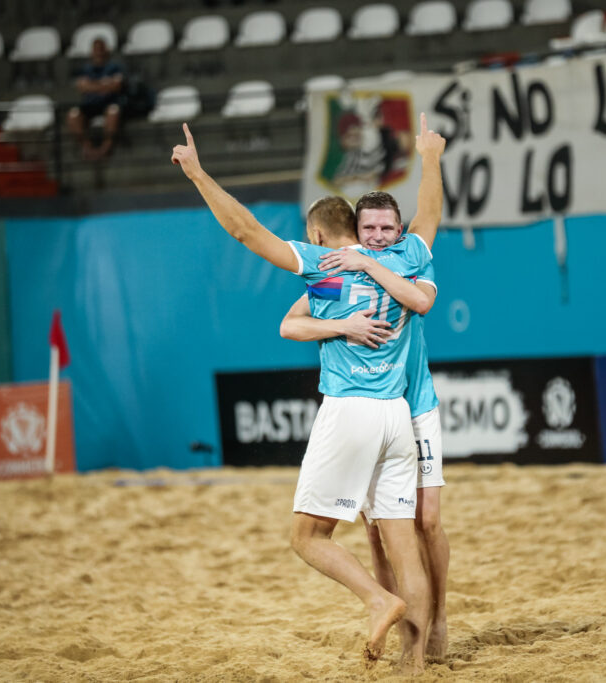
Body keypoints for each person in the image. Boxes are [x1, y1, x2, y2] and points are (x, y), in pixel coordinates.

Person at [170, 122, 437, 671]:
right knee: (403, 543)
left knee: (307, 537)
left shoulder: (322, 265)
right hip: (398, 414)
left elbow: (245, 231)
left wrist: (198, 174)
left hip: (351, 411)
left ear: (316, 236)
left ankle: (376, 599)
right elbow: (430, 217)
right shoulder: (403, 257)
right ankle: (415, 664)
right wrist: (430, 158)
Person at [279, 115, 450, 659]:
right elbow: (292, 322)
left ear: (398, 231)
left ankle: (435, 619)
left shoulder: (404, 258)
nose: (378, 237)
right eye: (369, 230)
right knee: (383, 529)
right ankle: (409, 636)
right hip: (390, 405)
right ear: (357, 229)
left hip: (411, 401)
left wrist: (430, 159)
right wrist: (341, 317)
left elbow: (422, 286)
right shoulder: (342, 268)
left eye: (386, 229)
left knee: (425, 521)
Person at [67, 38, 125, 160]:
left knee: (114, 111)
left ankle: (105, 149)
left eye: (101, 49)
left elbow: (116, 86)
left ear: (106, 50)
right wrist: (104, 85)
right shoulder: (85, 69)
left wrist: (92, 85)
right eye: (96, 50)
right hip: (89, 104)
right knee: (73, 115)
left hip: (108, 103)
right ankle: (87, 148)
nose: (98, 52)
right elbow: (82, 87)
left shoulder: (114, 67)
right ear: (92, 52)